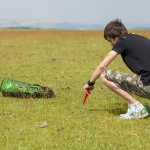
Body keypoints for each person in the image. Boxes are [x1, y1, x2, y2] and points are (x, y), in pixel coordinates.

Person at [83, 19, 150, 119]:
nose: (111, 44)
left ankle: (136, 108)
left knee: (104, 75)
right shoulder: (138, 37)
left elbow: (102, 66)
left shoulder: (122, 41)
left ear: (116, 36)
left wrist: (90, 83)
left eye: (110, 40)